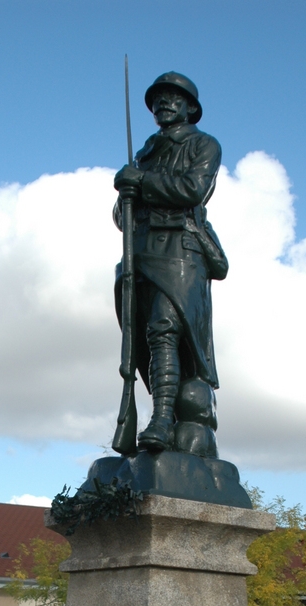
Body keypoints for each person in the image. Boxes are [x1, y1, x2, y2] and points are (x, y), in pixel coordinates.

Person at [113, 72, 228, 454]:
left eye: (173, 97)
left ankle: (162, 421)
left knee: (164, 329)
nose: (164, 103)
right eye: (158, 98)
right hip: (142, 251)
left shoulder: (203, 145)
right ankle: (161, 416)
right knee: (144, 342)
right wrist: (126, 194)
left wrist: (140, 182)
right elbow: (121, 216)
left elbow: (193, 189)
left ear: (191, 108)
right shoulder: (144, 152)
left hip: (180, 251)